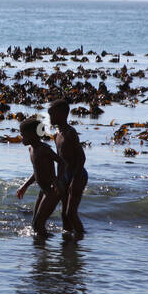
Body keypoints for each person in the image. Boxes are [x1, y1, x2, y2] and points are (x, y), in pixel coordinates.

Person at [15, 116, 61, 236]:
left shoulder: (43, 149)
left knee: (38, 224)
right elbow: (37, 171)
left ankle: (49, 251)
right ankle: (41, 251)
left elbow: (62, 162)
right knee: (35, 224)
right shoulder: (31, 149)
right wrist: (25, 186)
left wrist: (57, 181)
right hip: (43, 190)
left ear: (33, 135)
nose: (21, 138)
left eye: (23, 135)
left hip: (52, 190)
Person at [49, 99, 87, 237]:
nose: (50, 118)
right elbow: (60, 160)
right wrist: (58, 180)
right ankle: (67, 243)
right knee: (64, 214)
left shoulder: (70, 132)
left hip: (77, 174)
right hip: (64, 175)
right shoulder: (56, 133)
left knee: (70, 213)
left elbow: (81, 157)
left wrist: (74, 180)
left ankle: (81, 238)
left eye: (52, 114)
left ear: (63, 114)